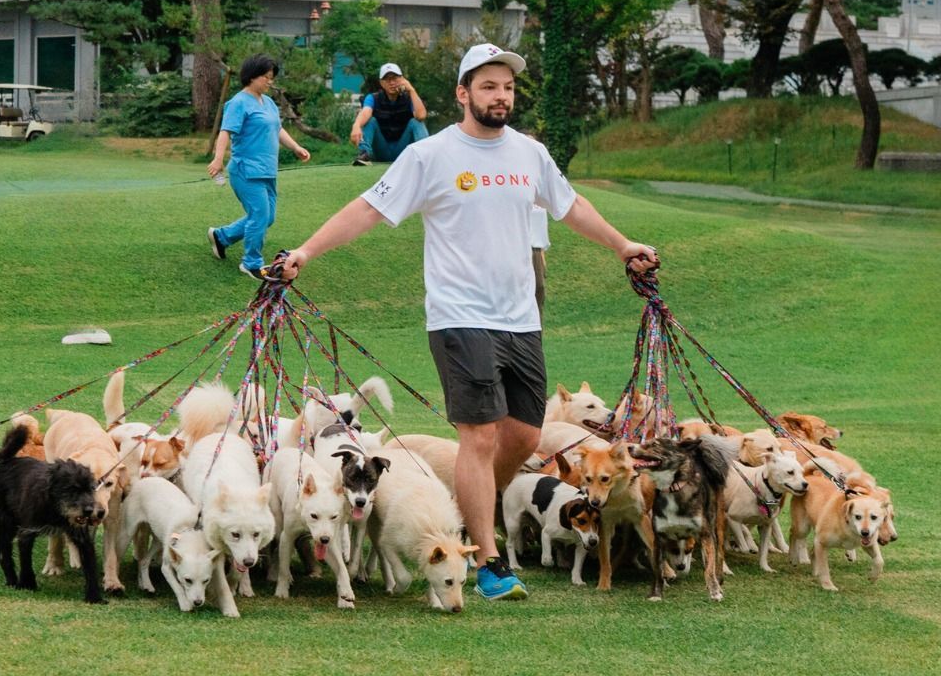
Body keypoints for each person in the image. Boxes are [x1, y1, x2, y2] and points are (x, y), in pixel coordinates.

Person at [279, 43, 657, 602]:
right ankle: (489, 561)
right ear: (462, 93)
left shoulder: (530, 153)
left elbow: (571, 206)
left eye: (507, 87)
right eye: (488, 86)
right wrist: (306, 252)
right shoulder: (431, 156)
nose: (500, 96)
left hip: (521, 318)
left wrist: (623, 245)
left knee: (524, 434)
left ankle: (466, 507)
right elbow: (367, 208)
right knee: (478, 437)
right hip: (459, 317)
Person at [206, 53, 310, 279]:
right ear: (251, 76)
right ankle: (251, 263)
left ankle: (222, 237)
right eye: (265, 76)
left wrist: (296, 147)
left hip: (268, 171)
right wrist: (218, 159)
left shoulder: (269, 102)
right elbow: (226, 132)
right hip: (246, 171)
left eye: (271, 77)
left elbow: (277, 129)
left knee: (266, 217)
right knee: (260, 215)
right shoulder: (238, 103)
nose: (269, 81)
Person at [349, 62, 428, 165]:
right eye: (387, 79)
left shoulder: (410, 98)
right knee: (370, 120)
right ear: (382, 83)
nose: (391, 82)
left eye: (395, 78)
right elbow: (366, 112)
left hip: (404, 151)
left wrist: (411, 90)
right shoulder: (373, 98)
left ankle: (426, 157)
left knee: (416, 121)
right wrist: (356, 125)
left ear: (402, 79)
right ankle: (364, 154)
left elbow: (421, 116)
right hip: (381, 150)